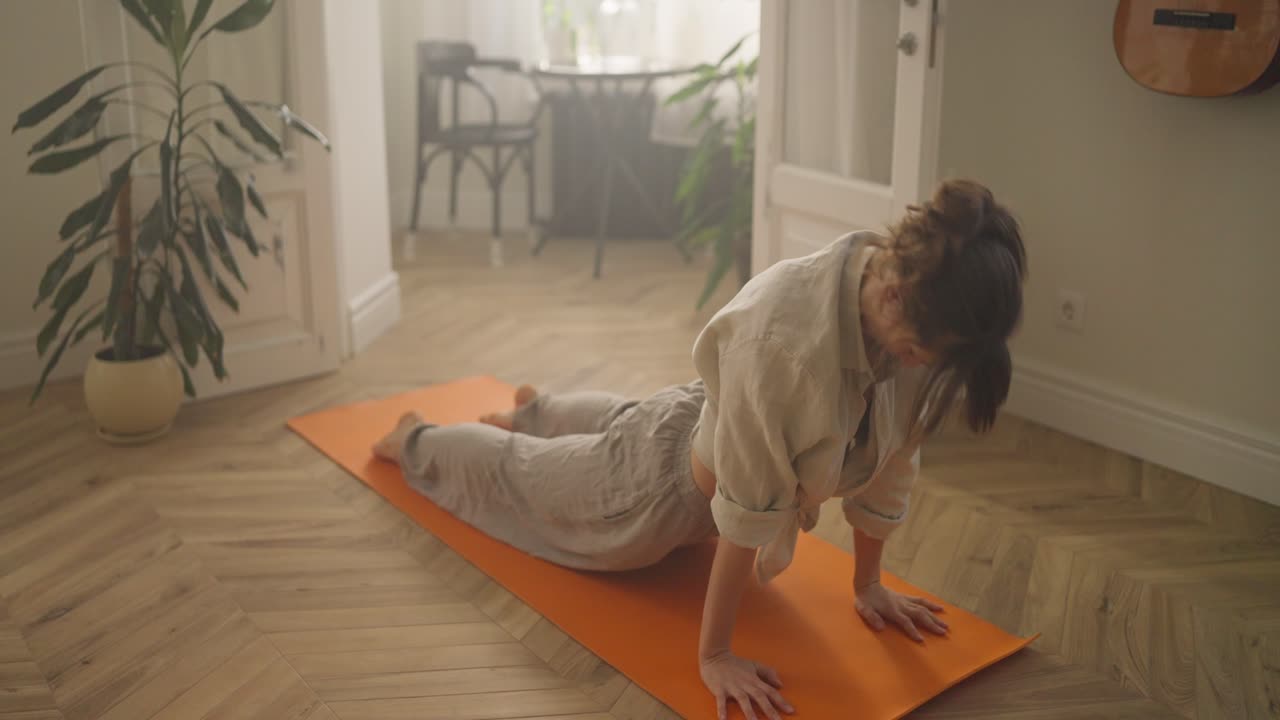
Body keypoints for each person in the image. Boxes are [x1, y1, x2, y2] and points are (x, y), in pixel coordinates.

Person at [374, 178, 1027, 720]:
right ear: (892, 295)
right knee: (520, 477)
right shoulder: (786, 346)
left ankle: (536, 411)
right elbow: (746, 504)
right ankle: (416, 439)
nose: (918, 365)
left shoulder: (904, 283)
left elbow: (892, 459)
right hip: (654, 494)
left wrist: (869, 583)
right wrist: (714, 655)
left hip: (705, 416)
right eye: (917, 352)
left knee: (627, 426)